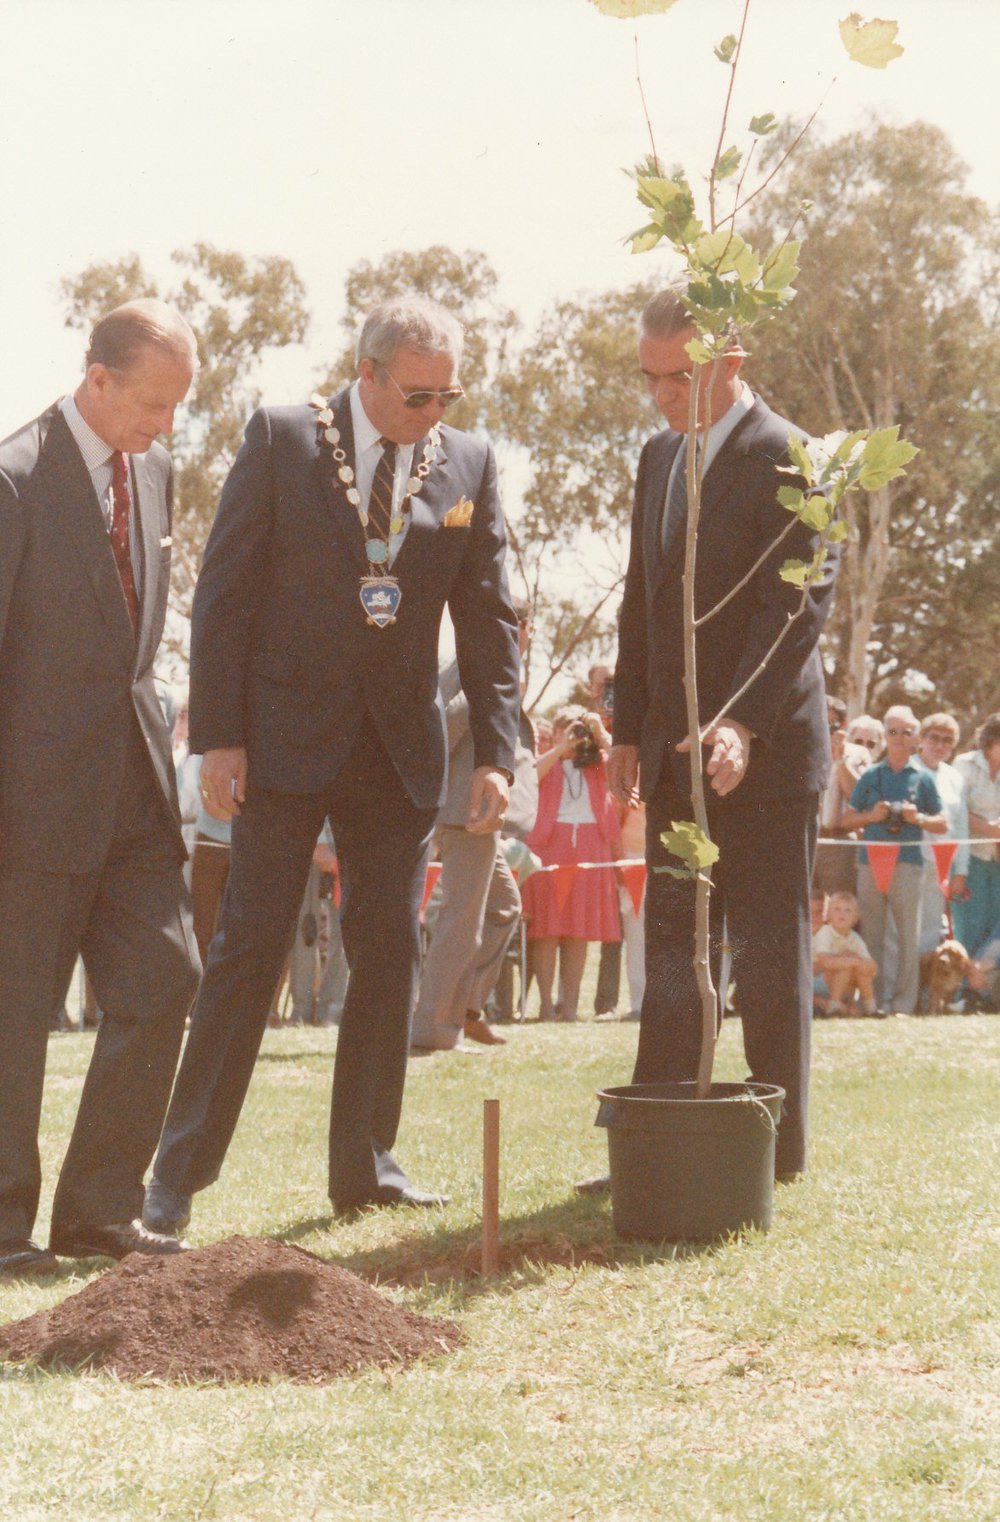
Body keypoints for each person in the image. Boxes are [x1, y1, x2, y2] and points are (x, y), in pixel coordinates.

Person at [142, 294, 520, 1235]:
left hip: (398, 753)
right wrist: (219, 735)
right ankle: (176, 1177)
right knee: (249, 947)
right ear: (367, 375)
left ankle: (367, 1166)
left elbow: (488, 616)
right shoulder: (283, 439)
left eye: (446, 396)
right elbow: (223, 593)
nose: (433, 413)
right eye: (416, 395)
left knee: (389, 950)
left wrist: (499, 752)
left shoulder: (468, 463)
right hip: (282, 742)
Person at [609, 285, 839, 1182]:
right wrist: (629, 727)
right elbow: (641, 601)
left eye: (679, 377)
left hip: (766, 759)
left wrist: (739, 717)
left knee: (768, 958)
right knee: (674, 956)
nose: (661, 395)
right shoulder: (657, 458)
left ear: (730, 363)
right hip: (674, 756)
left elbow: (797, 608)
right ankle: (659, 1144)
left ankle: (775, 1158)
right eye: (650, 378)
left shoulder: (792, 457)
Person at [0, 299, 200, 1275]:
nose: (165, 425)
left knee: (166, 975)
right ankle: (3, 1227)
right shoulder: (13, 477)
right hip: (29, 798)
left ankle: (98, 1215)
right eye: (153, 403)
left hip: (135, 787)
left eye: (177, 407)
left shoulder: (154, 474)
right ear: (97, 380)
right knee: (13, 1010)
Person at [410, 598, 536, 1052]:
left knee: (504, 908)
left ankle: (466, 1011)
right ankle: (435, 1029)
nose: (527, 638)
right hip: (468, 812)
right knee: (462, 923)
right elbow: (448, 721)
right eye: (524, 627)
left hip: (470, 810)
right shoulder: (482, 660)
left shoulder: (475, 657)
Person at [840, 705, 947, 1014]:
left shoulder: (923, 778)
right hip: (871, 861)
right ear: (885, 736)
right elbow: (847, 819)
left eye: (906, 732)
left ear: (916, 738)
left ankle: (903, 1004)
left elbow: (942, 823)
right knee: (872, 935)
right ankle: (875, 1002)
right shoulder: (870, 775)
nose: (899, 738)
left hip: (908, 863)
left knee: (907, 937)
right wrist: (871, 816)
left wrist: (919, 818)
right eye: (893, 731)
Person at [523, 706, 621, 1023]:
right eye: (566, 728)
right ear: (555, 732)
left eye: (579, 729)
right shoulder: (546, 761)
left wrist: (600, 733)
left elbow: (624, 765)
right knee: (547, 930)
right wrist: (560, 749)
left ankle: (570, 1007)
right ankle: (545, 1006)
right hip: (550, 845)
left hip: (592, 845)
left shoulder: (598, 764)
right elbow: (527, 778)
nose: (574, 735)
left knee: (579, 931)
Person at [951, 713, 1000, 959]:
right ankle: (962, 983)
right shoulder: (964, 764)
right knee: (968, 930)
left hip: (997, 860)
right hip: (967, 860)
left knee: (995, 931)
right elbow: (956, 813)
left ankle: (986, 982)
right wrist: (991, 830)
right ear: (992, 739)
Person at [813, 694, 870, 896]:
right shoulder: (806, 748)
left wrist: (840, 760)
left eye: (831, 725)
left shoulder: (858, 754)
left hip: (838, 843)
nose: (825, 730)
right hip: (806, 840)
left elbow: (859, 798)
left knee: (838, 903)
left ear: (844, 724)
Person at [812, 891, 878, 1017]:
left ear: (855, 918)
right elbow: (825, 962)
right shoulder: (824, 932)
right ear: (828, 914)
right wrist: (853, 961)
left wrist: (861, 964)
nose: (842, 914)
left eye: (848, 910)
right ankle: (834, 1006)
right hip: (820, 983)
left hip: (843, 985)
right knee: (845, 966)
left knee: (861, 970)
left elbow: (872, 968)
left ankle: (871, 1007)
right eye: (837, 909)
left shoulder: (855, 938)